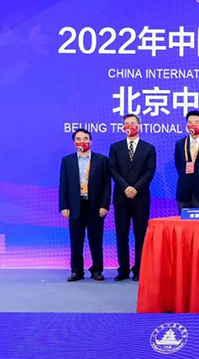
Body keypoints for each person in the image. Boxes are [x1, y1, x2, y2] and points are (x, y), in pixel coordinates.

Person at [59, 128, 111, 282]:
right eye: (79, 139)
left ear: (91, 141)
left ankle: (97, 270)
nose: (82, 141)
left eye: (85, 138)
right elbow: (63, 185)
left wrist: (104, 205)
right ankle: (77, 271)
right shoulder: (67, 161)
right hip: (75, 206)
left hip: (95, 206)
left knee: (96, 240)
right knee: (76, 241)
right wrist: (64, 206)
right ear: (74, 142)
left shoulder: (101, 160)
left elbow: (106, 185)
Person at [109, 114, 156, 282]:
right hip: (121, 198)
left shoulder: (149, 148)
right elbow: (113, 169)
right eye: (127, 124)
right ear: (123, 127)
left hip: (141, 197)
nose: (130, 126)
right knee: (121, 234)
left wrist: (135, 188)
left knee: (140, 234)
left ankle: (139, 269)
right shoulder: (115, 147)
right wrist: (126, 187)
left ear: (140, 126)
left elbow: (149, 171)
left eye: (133, 123)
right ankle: (123, 269)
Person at [174, 110, 199, 212]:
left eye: (197, 122)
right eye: (190, 122)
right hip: (184, 193)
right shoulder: (180, 144)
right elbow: (179, 166)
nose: (193, 125)